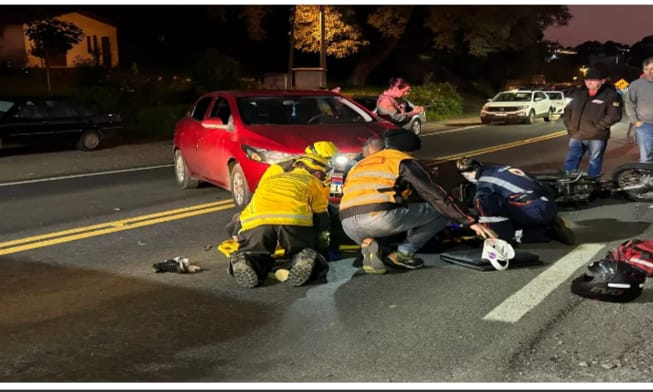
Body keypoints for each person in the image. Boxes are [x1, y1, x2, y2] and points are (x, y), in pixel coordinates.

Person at [338, 129, 495, 275]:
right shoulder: (403, 161)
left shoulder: (359, 164)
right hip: (378, 218)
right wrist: (468, 220)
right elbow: (435, 195)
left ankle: (368, 243)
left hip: (347, 224)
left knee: (388, 215)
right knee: (439, 212)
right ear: (408, 149)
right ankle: (404, 253)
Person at [228, 155, 332, 288]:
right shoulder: (313, 181)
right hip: (293, 221)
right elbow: (321, 215)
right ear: (317, 173)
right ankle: (301, 259)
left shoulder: (270, 179)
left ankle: (248, 260)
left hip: (257, 221)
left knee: (255, 251)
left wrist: (239, 232)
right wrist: (320, 240)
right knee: (303, 250)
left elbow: (246, 211)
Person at [226, 140, 338, 240]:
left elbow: (335, 197)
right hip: (284, 206)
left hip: (303, 206)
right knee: (239, 220)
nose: (327, 163)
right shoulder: (280, 168)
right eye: (325, 158)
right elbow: (262, 190)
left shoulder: (331, 172)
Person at [456, 157, 576, 246]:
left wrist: (479, 223)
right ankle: (548, 222)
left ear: (467, 175)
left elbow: (482, 207)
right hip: (548, 203)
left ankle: (546, 232)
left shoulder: (485, 184)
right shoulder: (500, 168)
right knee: (506, 200)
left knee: (484, 203)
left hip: (534, 211)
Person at [561, 68, 623, 177]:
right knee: (571, 160)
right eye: (587, 80)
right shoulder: (579, 93)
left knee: (594, 161)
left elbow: (614, 115)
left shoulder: (611, 94)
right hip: (576, 134)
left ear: (602, 81)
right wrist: (569, 124)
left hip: (596, 136)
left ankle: (592, 183)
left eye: (593, 80)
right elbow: (568, 109)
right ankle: (567, 183)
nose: (589, 82)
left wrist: (598, 127)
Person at [625, 57, 653, 163]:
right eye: (646, 69)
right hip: (645, 125)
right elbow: (629, 103)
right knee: (646, 157)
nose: (649, 72)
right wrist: (635, 121)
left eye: (652, 69)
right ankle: (646, 178)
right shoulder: (636, 85)